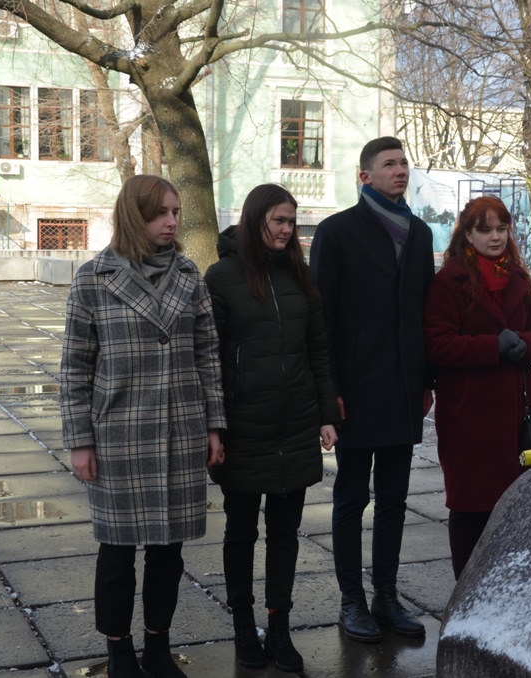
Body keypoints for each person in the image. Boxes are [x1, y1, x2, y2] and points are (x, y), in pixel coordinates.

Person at [61, 175, 225, 678]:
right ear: (135, 216)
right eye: (160, 213)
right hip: (119, 435)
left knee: (168, 552)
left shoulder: (189, 275)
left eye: (175, 212)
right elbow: (75, 367)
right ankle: (118, 651)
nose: (171, 222)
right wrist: (80, 442)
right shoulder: (94, 278)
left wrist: (214, 426)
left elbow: (208, 354)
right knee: (116, 553)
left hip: (179, 430)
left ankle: (157, 647)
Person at [204, 184, 340, 671]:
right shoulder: (221, 277)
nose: (287, 230)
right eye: (279, 221)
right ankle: (243, 627)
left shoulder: (300, 276)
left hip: (295, 425)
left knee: (285, 535)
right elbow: (210, 359)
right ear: (255, 219)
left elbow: (317, 350)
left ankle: (279, 628)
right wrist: (215, 426)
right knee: (240, 533)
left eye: (291, 222)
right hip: (244, 428)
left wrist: (326, 414)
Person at [309, 136, 435, 643]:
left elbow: (426, 312)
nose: (400, 170)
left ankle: (386, 594)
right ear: (365, 176)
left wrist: (427, 380)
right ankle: (351, 600)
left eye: (404, 163)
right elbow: (320, 319)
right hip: (356, 389)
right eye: (389, 164)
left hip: (404, 387)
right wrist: (329, 391)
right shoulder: (337, 231)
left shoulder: (420, 233)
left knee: (395, 498)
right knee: (350, 497)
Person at [424, 196, 531, 579]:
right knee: (471, 506)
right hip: (469, 414)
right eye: (485, 230)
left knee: (515, 506)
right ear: (467, 234)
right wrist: (492, 347)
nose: (495, 237)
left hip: (517, 412)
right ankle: (467, 589)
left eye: (501, 228)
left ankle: (507, 587)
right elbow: (438, 344)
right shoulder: (449, 281)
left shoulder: (517, 277)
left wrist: (526, 344)